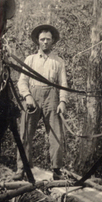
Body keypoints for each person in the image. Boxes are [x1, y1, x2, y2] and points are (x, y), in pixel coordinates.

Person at [17, 24, 67, 180]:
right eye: (42, 39)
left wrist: (63, 101)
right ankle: (22, 168)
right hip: (32, 96)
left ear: (53, 42)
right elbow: (22, 82)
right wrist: (27, 96)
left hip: (51, 96)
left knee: (56, 133)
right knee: (25, 133)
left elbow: (63, 84)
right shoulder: (30, 59)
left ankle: (57, 169)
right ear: (37, 41)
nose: (45, 42)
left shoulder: (58, 61)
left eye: (48, 39)